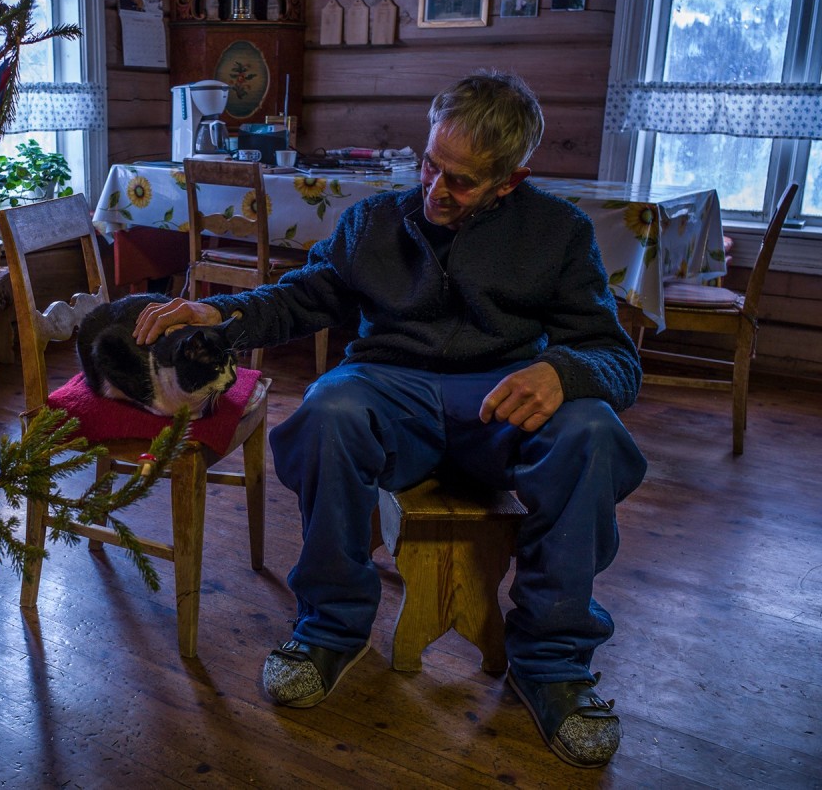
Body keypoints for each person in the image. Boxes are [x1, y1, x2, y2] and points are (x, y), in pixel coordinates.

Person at [133, 71, 647, 769]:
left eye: (460, 182)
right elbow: (305, 296)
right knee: (329, 407)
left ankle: (552, 665)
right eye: (431, 165)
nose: (436, 189)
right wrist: (222, 313)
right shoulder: (374, 220)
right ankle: (331, 629)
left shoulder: (559, 233)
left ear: (510, 180)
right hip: (389, 391)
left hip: (497, 404)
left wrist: (565, 372)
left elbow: (616, 357)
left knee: (591, 431)